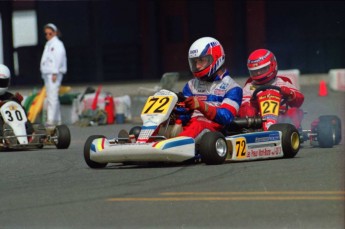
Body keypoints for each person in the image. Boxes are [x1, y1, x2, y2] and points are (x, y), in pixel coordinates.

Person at [177, 37, 243, 142]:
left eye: (201, 61)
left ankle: (172, 147)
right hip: (191, 128)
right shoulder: (191, 85)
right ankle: (146, 142)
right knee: (169, 124)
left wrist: (201, 106)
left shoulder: (232, 88)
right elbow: (184, 116)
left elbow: (226, 117)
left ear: (216, 58)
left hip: (213, 132)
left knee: (199, 124)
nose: (197, 66)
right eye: (195, 62)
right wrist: (176, 112)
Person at [238, 49, 304, 128]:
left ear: (273, 65)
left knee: (294, 112)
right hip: (258, 122)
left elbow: (299, 102)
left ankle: (291, 130)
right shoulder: (249, 87)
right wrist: (253, 104)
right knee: (247, 110)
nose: (259, 73)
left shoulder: (282, 83)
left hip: (281, 119)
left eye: (262, 69)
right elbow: (244, 110)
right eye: (255, 71)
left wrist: (290, 94)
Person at [40, 23, 67, 126]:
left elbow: (59, 58)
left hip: (53, 73)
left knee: (53, 97)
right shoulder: (49, 44)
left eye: (50, 33)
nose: (48, 35)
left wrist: (55, 72)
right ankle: (57, 119)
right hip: (48, 73)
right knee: (51, 96)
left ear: (55, 33)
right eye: (46, 34)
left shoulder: (57, 44)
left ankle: (52, 119)